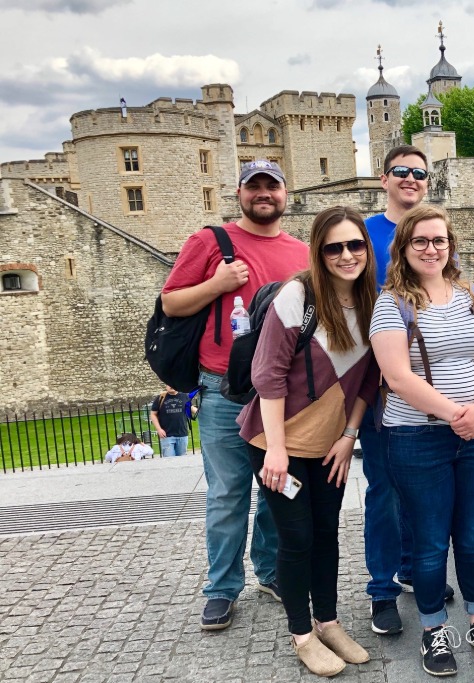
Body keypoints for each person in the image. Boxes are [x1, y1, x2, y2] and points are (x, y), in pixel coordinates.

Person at [161, 160, 309, 630]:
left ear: (286, 194)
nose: (263, 194)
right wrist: (218, 285)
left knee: (274, 491)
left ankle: (268, 571)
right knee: (227, 493)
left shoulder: (301, 252)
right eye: (254, 187)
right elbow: (171, 302)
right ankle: (222, 587)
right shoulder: (210, 242)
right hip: (225, 388)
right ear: (240, 194)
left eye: (272, 186)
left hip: (281, 391)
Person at [370, 205, 474, 676]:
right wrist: (456, 414)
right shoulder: (392, 302)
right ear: (404, 249)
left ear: (450, 245)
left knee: (472, 535)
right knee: (430, 541)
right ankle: (433, 629)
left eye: (439, 240)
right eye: (421, 241)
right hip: (417, 437)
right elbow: (396, 375)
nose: (432, 249)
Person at [237, 206, 377, 676]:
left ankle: (329, 621)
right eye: (333, 247)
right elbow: (268, 375)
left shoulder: (374, 300)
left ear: (366, 248)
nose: (345, 255)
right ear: (319, 251)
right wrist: (276, 449)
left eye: (354, 245)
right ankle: (302, 633)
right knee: (296, 538)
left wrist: (348, 435)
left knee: (326, 534)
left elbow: (369, 381)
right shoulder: (299, 295)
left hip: (330, 443)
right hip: (277, 441)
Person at [359, 145, 453, 636]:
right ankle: (382, 590)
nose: (412, 179)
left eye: (420, 173)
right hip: (381, 383)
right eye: (402, 171)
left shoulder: (435, 232)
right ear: (384, 177)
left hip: (433, 389)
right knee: (385, 490)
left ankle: (417, 569)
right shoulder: (365, 235)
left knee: (425, 487)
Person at [149, 386, 195, 456]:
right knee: (169, 460)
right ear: (165, 386)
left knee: (182, 460)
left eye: (172, 384)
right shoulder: (161, 398)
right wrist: (159, 429)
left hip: (182, 434)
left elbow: (190, 407)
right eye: (168, 384)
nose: (171, 386)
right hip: (166, 435)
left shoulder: (184, 396)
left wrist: (200, 411)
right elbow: (153, 414)